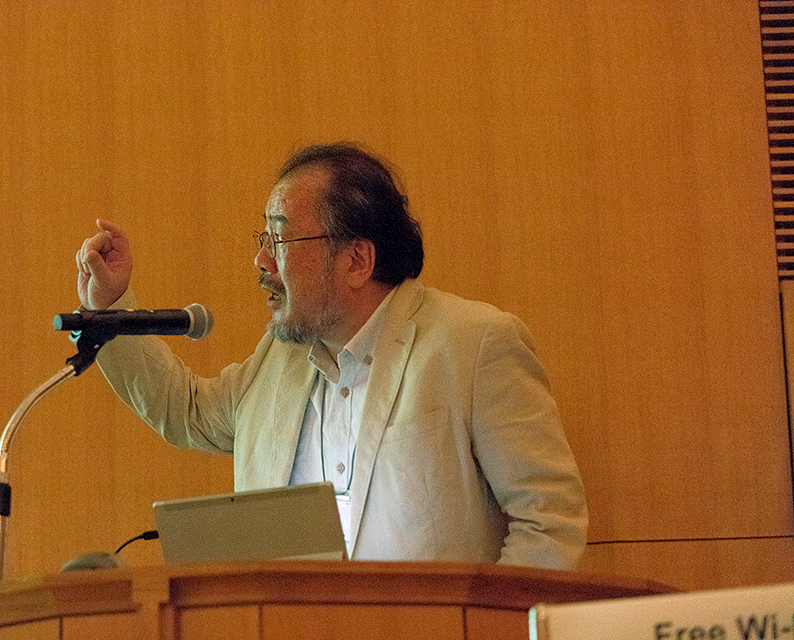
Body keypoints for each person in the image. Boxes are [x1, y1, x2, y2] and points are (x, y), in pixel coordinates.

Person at [75, 143, 588, 569]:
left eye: (279, 238)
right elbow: (185, 409)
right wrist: (111, 307)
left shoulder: (473, 345)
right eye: (264, 238)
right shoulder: (278, 360)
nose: (261, 260)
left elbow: (548, 522)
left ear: (357, 260)